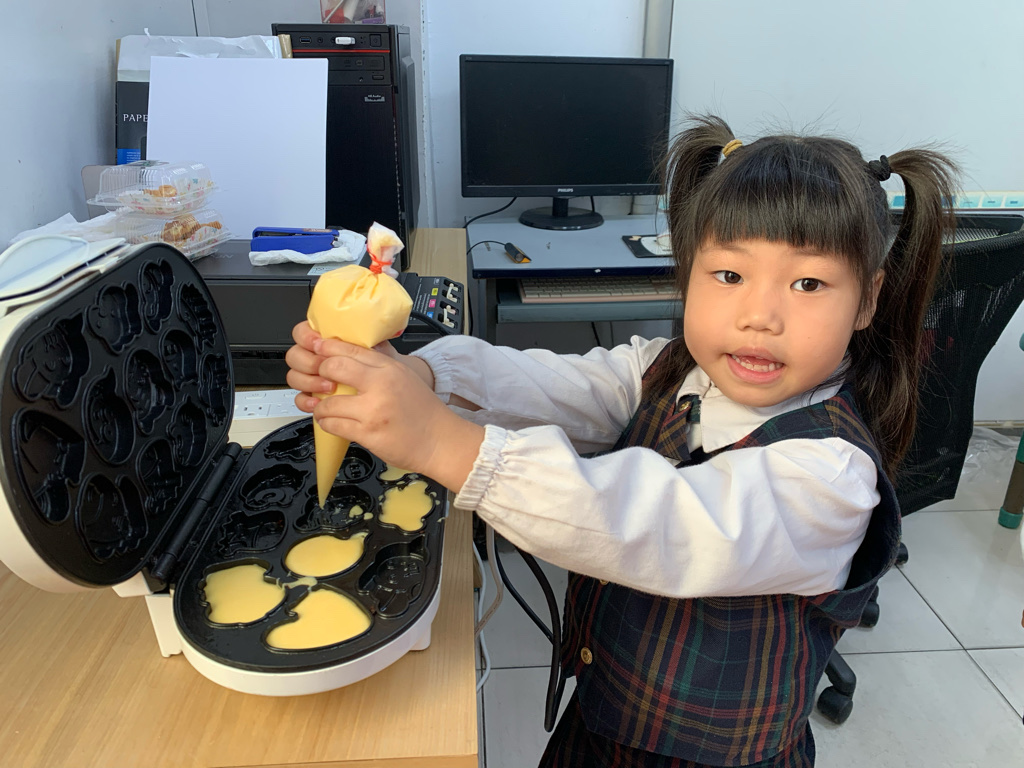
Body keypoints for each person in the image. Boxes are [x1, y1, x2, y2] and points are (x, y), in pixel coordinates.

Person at [285, 114, 959, 767]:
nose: (760, 316)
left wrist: (444, 445)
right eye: (729, 275)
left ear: (867, 300)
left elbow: (651, 524)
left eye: (808, 283)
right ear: (687, 272)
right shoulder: (672, 368)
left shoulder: (828, 477)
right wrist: (428, 375)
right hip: (606, 720)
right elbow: (559, 385)